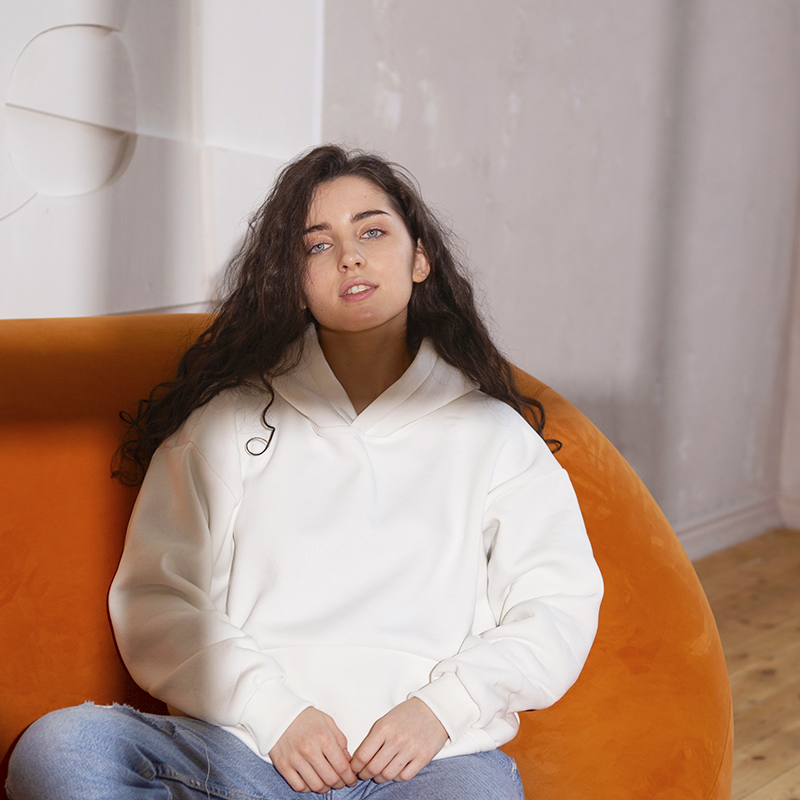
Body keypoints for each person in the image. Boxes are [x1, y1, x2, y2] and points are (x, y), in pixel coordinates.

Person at [6, 145, 603, 799]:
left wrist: (442, 709)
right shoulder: (227, 424)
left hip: (427, 769)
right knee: (61, 749)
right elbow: (156, 600)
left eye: (372, 231)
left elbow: (557, 610)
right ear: (294, 281)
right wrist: (274, 713)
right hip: (244, 760)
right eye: (316, 246)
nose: (350, 255)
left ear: (420, 258)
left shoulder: (495, 438)